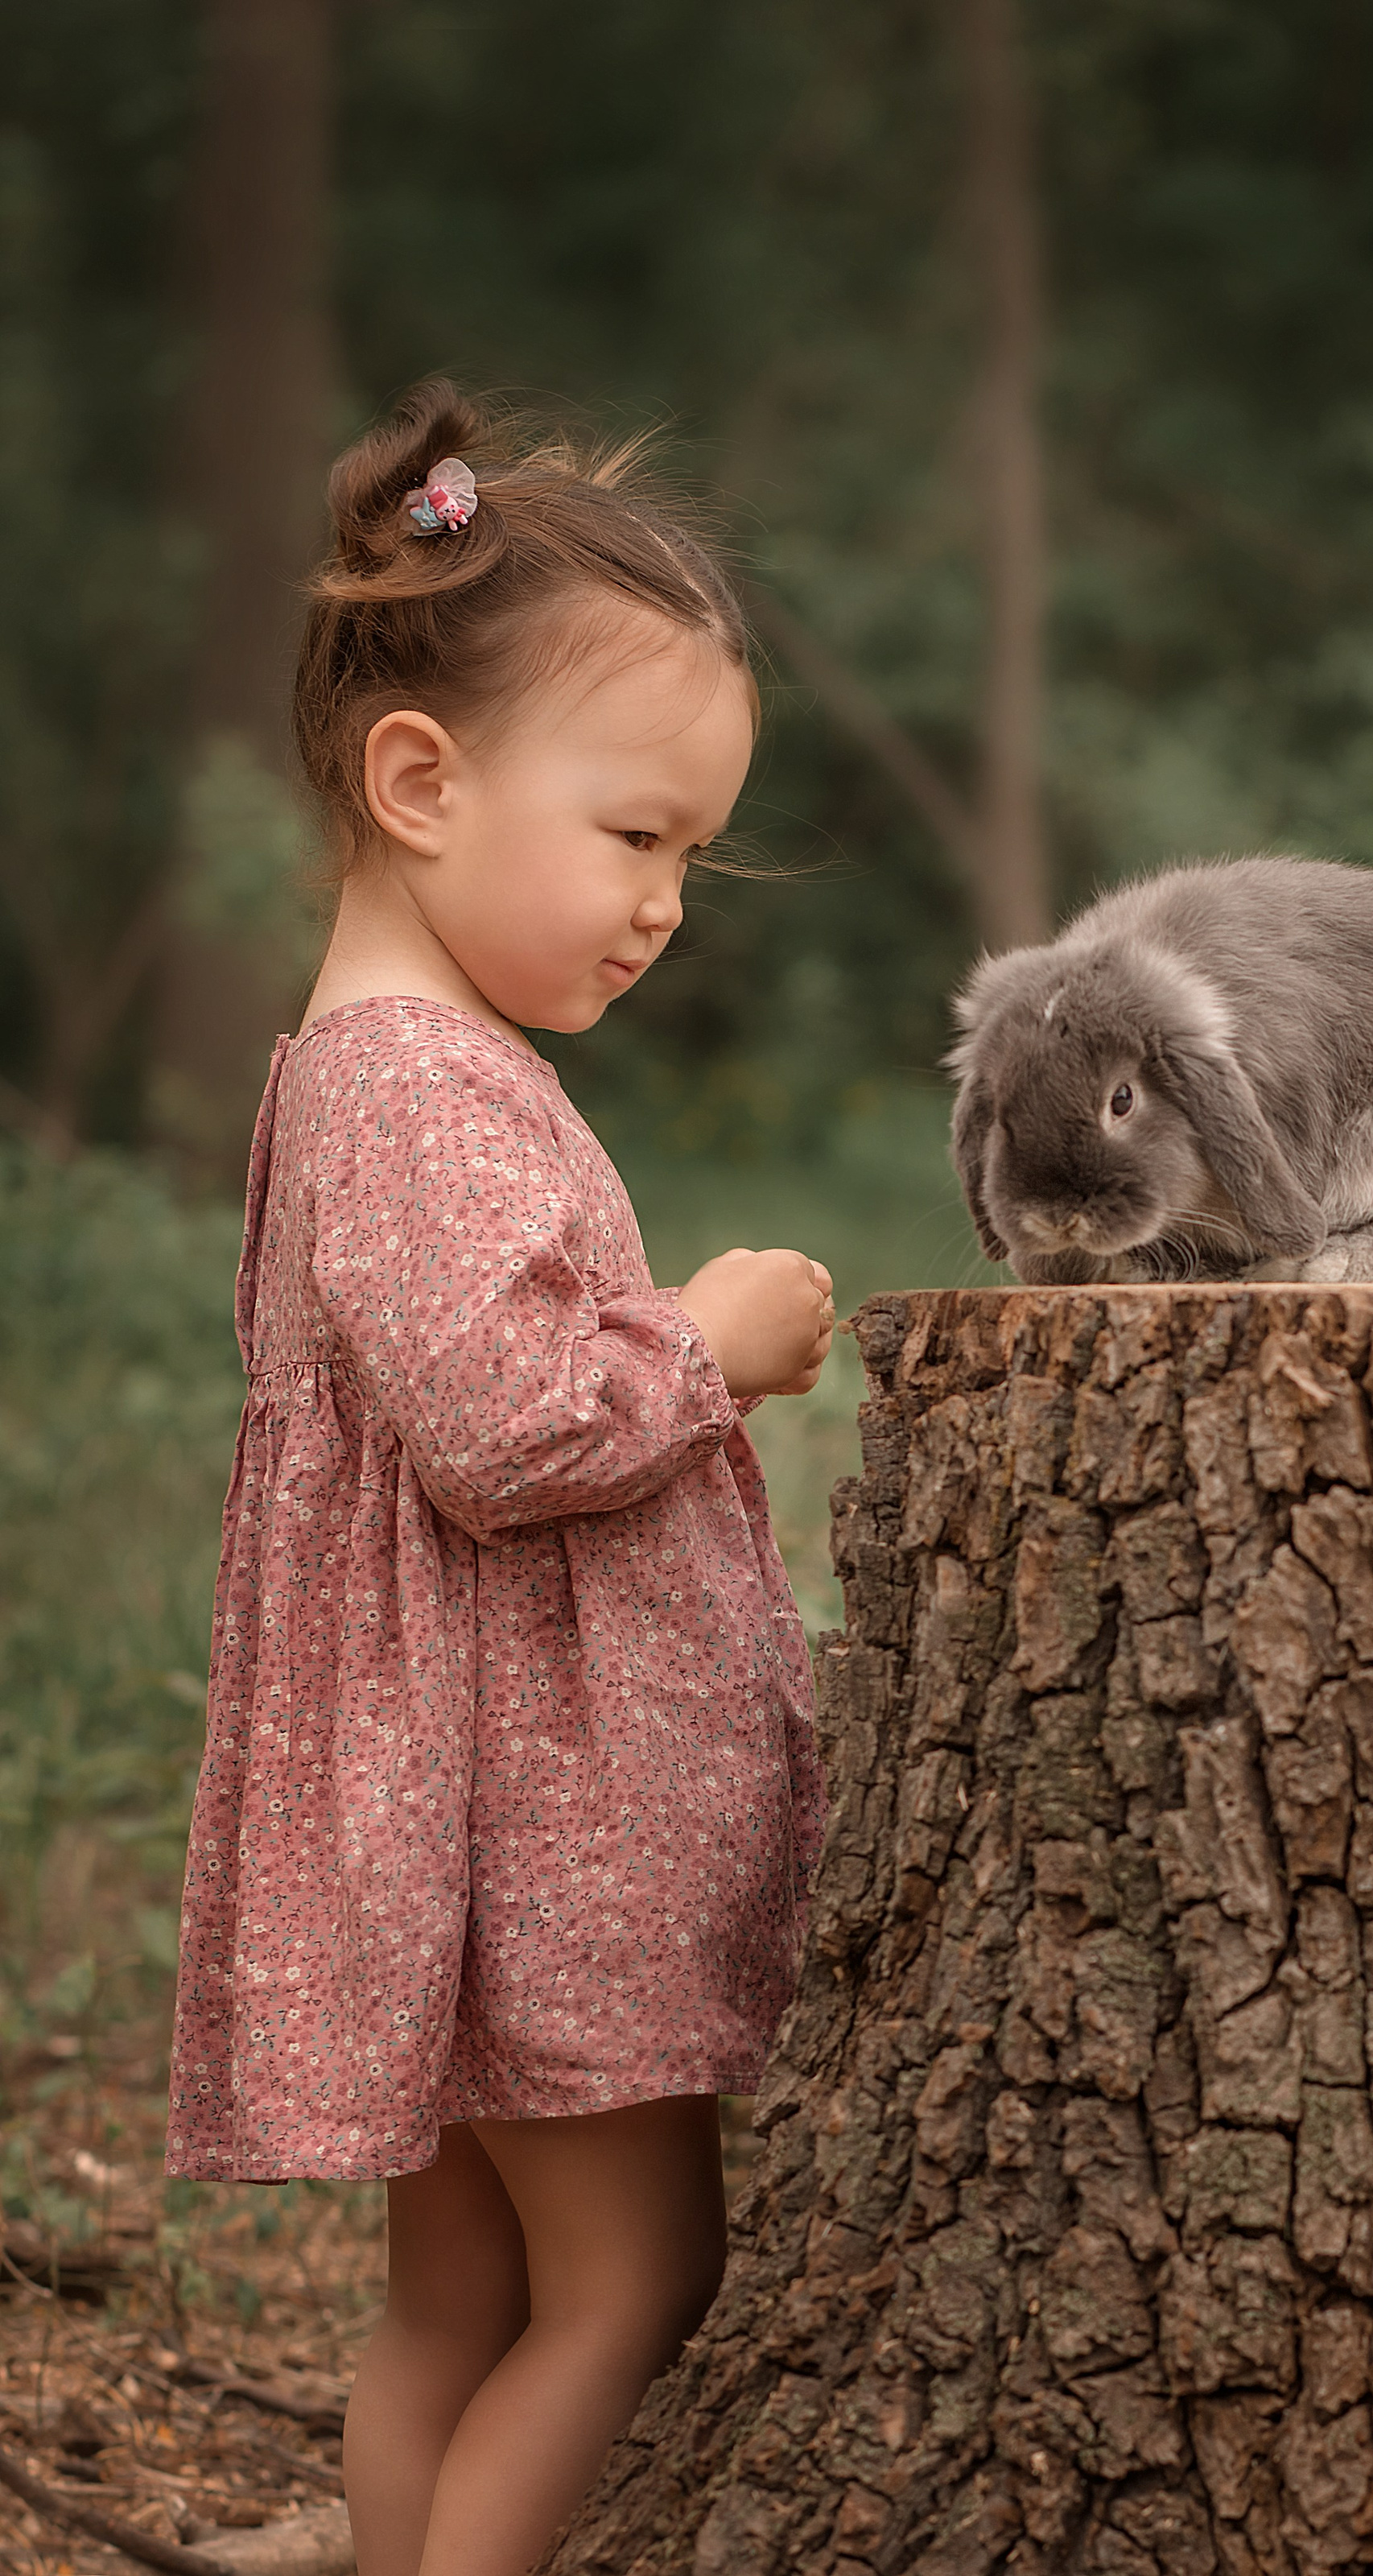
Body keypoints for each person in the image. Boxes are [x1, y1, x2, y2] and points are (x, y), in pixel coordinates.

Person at [165, 379, 832, 2576]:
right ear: (421, 782)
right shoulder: (425, 1091)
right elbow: (506, 1423)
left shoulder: (363, 1070)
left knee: (459, 2291)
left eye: (691, 859)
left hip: (437, 1824)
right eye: (638, 838)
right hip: (530, 1841)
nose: (667, 907)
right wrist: (709, 1347)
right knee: (632, 2288)